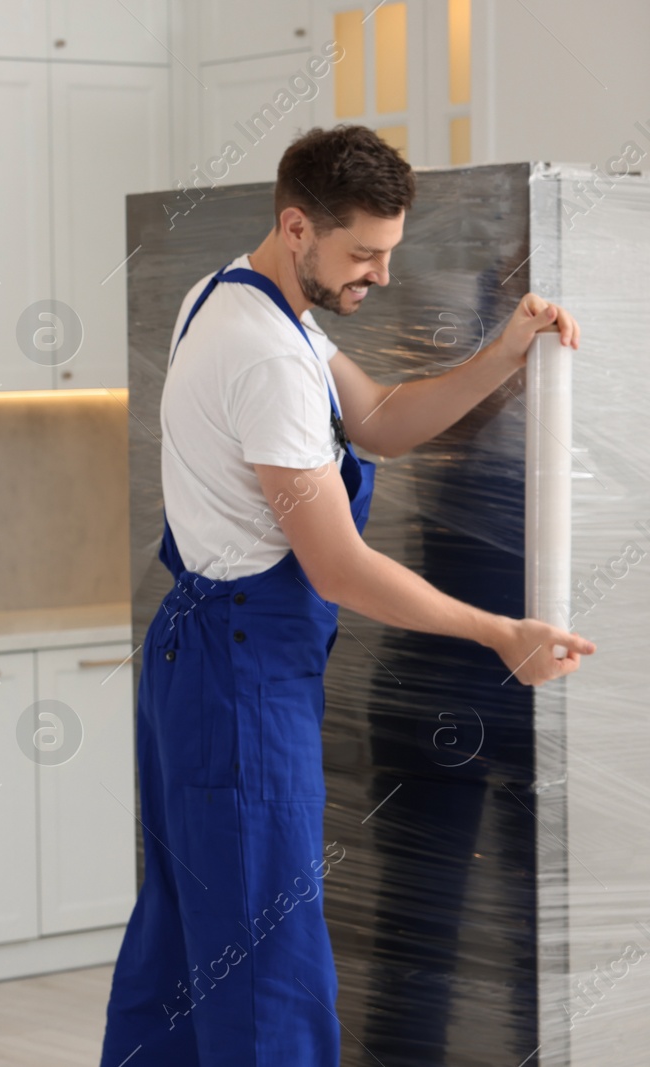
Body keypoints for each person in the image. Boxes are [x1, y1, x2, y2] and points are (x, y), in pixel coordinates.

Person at [100, 124, 593, 1066]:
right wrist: (500, 633)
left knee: (179, 958)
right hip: (240, 679)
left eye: (390, 251)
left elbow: (375, 421)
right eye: (364, 254)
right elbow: (337, 568)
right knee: (267, 976)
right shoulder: (270, 359)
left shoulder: (241, 298)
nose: (383, 276)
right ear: (297, 228)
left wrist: (505, 351)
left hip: (199, 659)